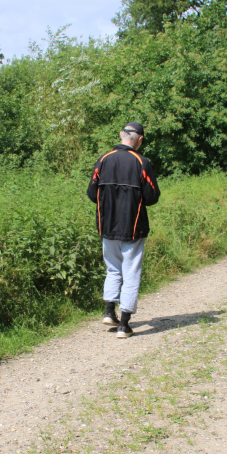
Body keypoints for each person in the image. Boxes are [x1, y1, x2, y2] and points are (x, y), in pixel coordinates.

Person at [86, 122, 161, 338]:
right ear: (140, 139)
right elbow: (152, 197)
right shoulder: (142, 162)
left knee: (112, 269)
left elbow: (92, 193)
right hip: (133, 227)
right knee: (131, 273)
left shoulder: (103, 159)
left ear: (121, 135)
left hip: (106, 226)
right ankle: (124, 325)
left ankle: (110, 312)